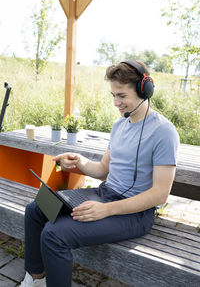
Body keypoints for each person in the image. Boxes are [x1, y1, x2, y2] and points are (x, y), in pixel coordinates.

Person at [20, 60, 179, 287]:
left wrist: (106, 210)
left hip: (136, 213)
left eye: (122, 96)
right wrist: (78, 161)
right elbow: (103, 169)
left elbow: (160, 195)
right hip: (104, 195)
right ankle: (35, 279)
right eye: (113, 95)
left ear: (145, 90)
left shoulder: (164, 132)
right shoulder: (119, 126)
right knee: (35, 209)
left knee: (54, 234)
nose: (116, 102)